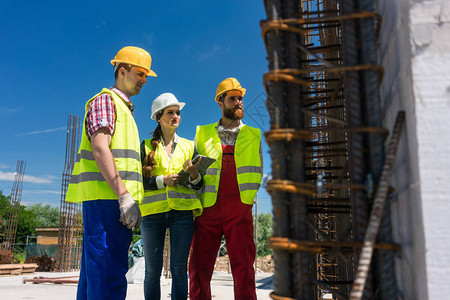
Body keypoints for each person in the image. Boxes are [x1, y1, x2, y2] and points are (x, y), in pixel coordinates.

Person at [65, 46, 157, 300]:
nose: (143, 80)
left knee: (96, 275)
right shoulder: (106, 101)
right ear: (122, 70)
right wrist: (125, 196)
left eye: (146, 76)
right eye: (140, 74)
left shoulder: (123, 109)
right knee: (109, 274)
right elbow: (100, 148)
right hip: (108, 201)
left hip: (112, 201)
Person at [189, 78, 263, 300]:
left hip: (240, 210)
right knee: (199, 268)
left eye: (240, 98)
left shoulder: (253, 135)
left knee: (244, 269)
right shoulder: (202, 133)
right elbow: (195, 172)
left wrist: (247, 201)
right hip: (207, 210)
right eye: (233, 98)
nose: (239, 102)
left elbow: (258, 171)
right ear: (220, 102)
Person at [140, 93, 203, 300]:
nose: (176, 116)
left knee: (178, 270)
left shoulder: (189, 146)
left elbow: (199, 184)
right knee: (152, 271)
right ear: (159, 117)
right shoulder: (146, 146)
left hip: (182, 214)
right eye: (170, 112)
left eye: (178, 113)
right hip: (152, 214)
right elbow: (139, 181)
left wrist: (193, 174)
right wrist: (162, 181)